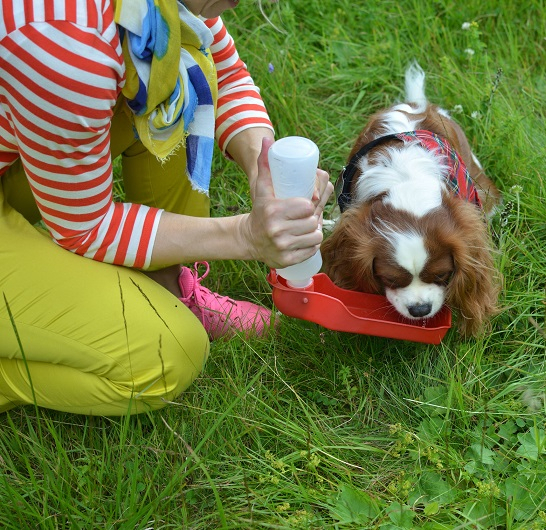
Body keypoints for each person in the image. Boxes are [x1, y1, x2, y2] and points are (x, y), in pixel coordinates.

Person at [0, 0, 333, 415]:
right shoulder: (68, 41)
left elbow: (223, 75)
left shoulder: (152, 6)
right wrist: (244, 236)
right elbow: (86, 228)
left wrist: (261, 164)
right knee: (168, 352)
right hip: (56, 91)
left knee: (175, 79)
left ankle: (168, 285)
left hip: (28, 128)